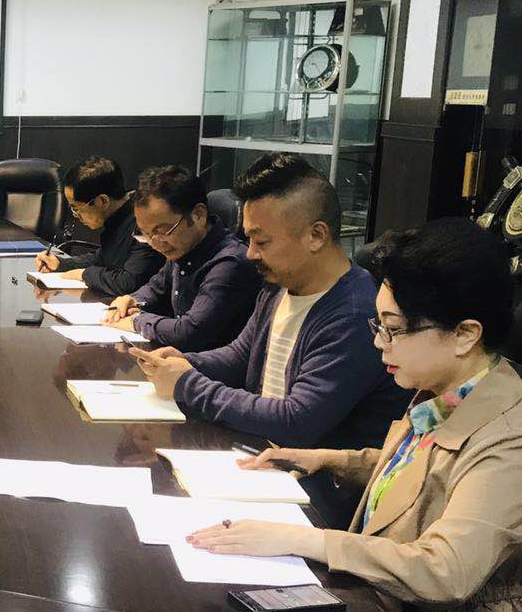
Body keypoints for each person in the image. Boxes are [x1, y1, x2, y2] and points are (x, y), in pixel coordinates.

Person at [187, 218, 522, 612]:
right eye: (378, 326)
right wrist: (331, 458)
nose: (380, 344)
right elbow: (425, 468)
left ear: (465, 333)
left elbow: (447, 570)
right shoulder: (452, 390)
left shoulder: (515, 442)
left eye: (394, 330)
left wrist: (301, 539)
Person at [130, 153, 408, 527]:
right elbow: (241, 356)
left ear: (316, 235)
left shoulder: (355, 312)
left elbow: (297, 420)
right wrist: (183, 361)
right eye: (248, 239)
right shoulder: (279, 285)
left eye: (262, 241)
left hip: (315, 497)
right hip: (260, 461)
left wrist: (188, 384)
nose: (250, 254)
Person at [102, 164, 261, 351]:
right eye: (145, 233)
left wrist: (136, 320)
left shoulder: (229, 263)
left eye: (163, 231)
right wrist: (131, 300)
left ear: (198, 214)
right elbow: (155, 289)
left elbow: (188, 332)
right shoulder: (183, 248)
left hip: (208, 365)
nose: (155, 243)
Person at [33, 155, 163, 296]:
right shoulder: (117, 217)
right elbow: (103, 259)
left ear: (102, 201)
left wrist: (84, 274)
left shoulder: (144, 221)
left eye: (76, 208)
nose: (76, 215)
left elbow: (129, 282)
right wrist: (62, 264)